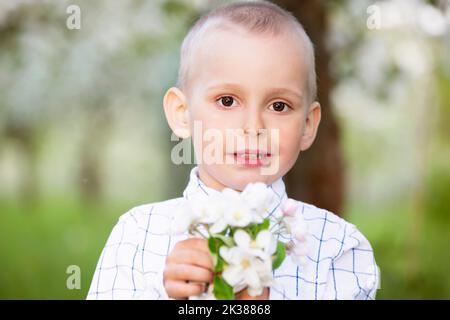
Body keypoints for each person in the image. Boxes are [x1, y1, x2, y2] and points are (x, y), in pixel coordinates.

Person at [87, 0, 379, 300]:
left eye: (279, 106)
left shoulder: (340, 247)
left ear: (307, 124)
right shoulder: (137, 237)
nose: (253, 127)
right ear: (182, 114)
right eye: (227, 101)